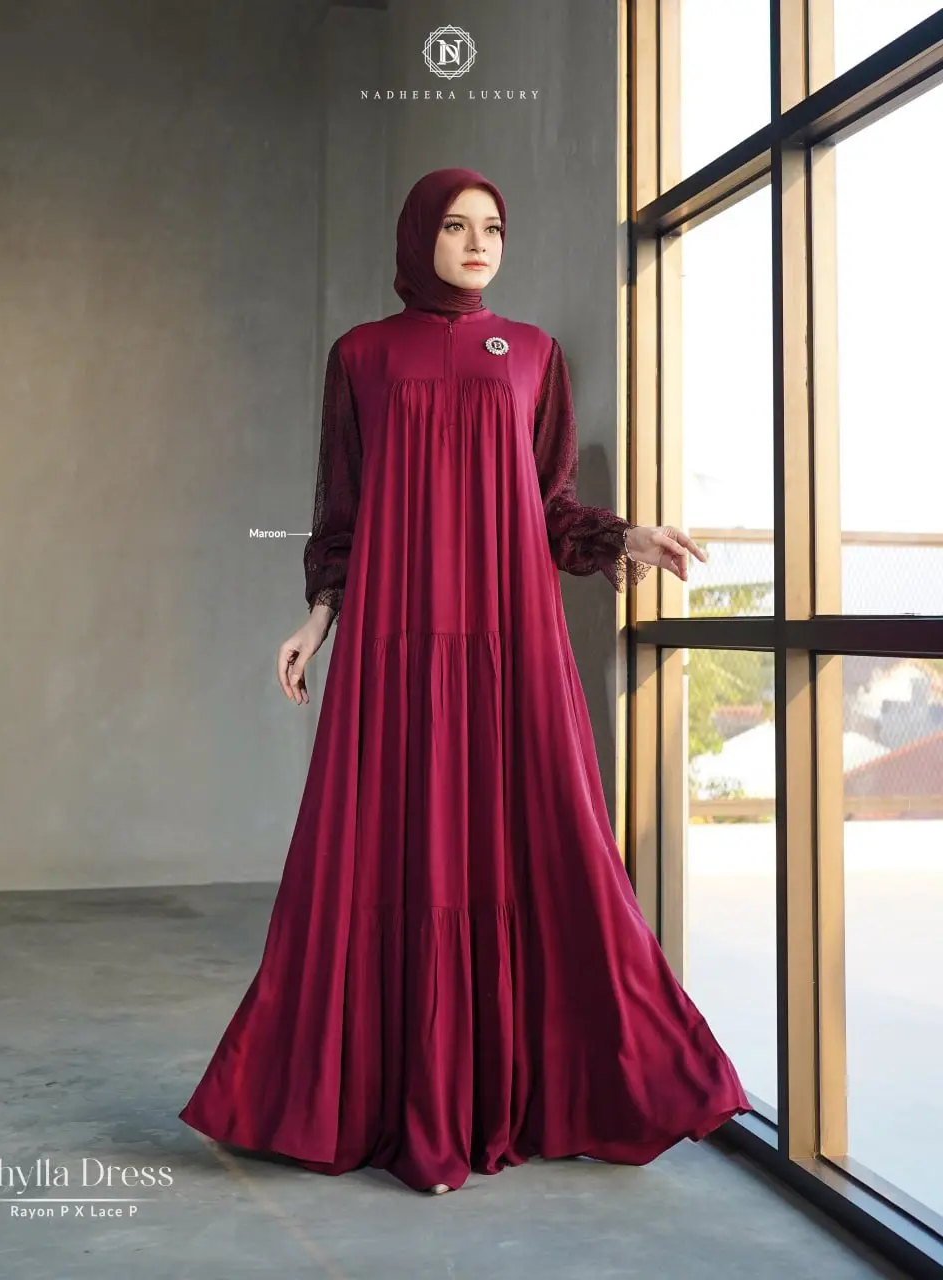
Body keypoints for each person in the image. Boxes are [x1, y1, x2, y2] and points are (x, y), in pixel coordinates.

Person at [179, 167, 752, 1196]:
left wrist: (624, 535)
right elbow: (342, 509)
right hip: (393, 642)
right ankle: (378, 1101)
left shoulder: (532, 353)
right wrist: (317, 619)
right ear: (418, 238)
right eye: (455, 225)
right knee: (376, 853)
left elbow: (548, 503)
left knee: (551, 846)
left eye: (492, 226)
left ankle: (566, 1089)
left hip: (509, 641)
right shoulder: (361, 355)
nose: (478, 241)